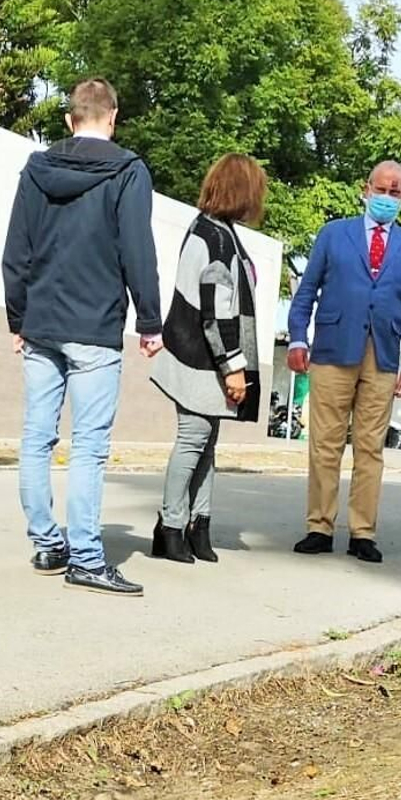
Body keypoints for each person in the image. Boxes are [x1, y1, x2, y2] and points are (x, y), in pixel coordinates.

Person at [2, 78, 163, 597]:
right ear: (112, 117)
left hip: (43, 322)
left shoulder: (37, 167)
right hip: (94, 327)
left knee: (36, 436)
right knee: (89, 447)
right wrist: (150, 320)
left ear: (71, 120)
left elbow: (17, 249)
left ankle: (49, 543)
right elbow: (137, 248)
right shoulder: (128, 170)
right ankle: (88, 559)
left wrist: (16, 317)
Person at [285, 161, 401, 563]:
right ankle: (319, 526)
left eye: (395, 192)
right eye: (381, 189)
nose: (386, 197)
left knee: (370, 448)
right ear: (366, 190)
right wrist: (298, 336)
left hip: (383, 355)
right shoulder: (334, 234)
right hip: (332, 347)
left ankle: (363, 532)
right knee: (325, 443)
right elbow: (307, 292)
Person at [148, 154, 267, 564]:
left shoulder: (218, 231)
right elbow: (216, 311)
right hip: (202, 359)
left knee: (205, 442)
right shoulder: (215, 237)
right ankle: (171, 526)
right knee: (193, 440)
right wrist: (232, 366)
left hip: (202, 357)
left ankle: (197, 524)